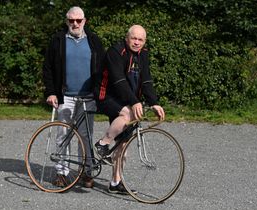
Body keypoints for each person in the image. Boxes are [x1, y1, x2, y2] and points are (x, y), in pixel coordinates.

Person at [94, 25, 165, 194]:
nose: (137, 42)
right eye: (134, 38)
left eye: (140, 40)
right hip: (106, 96)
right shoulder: (115, 52)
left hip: (125, 98)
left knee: (124, 145)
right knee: (128, 113)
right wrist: (134, 102)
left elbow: (146, 80)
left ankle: (115, 182)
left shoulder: (143, 54)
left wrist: (153, 102)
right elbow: (118, 80)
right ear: (127, 38)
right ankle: (102, 143)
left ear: (144, 41)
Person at [43, 6, 105, 188]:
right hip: (65, 96)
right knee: (63, 134)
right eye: (71, 20)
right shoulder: (57, 40)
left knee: (86, 136)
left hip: (88, 97)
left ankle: (86, 172)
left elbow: (102, 69)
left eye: (79, 20)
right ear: (67, 21)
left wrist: (99, 93)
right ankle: (61, 173)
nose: (75, 24)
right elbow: (47, 68)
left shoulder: (94, 41)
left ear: (85, 21)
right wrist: (51, 92)